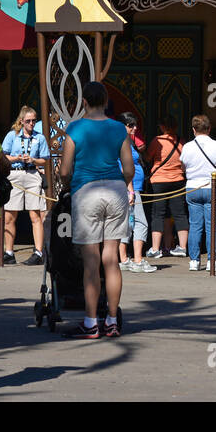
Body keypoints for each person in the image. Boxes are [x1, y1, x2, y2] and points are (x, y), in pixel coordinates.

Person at [59, 82, 135, 339]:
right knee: (111, 259)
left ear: (84, 102)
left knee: (91, 261)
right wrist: (118, 184)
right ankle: (112, 320)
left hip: (86, 191)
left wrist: (69, 185)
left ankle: (91, 321)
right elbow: (128, 169)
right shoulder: (119, 129)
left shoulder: (75, 128)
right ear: (106, 101)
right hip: (115, 190)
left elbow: (65, 170)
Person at [0, 107, 49, 266]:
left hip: (32, 175)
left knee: (35, 215)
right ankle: (9, 252)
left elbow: (44, 159)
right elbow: (3, 155)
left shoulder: (39, 137)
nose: (32, 123)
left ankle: (38, 252)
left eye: (34, 120)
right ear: (21, 121)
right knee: (9, 216)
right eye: (28, 121)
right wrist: (15, 158)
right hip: (15, 174)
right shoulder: (12, 135)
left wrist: (33, 160)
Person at [181, 114, 216, 272]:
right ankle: (212, 261)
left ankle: (194, 261)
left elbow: (183, 167)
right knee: (212, 226)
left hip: (193, 187)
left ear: (194, 130)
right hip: (213, 188)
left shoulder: (187, 147)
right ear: (209, 129)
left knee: (195, 225)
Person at [144, 118, 188, 258]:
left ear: (163, 126)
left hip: (159, 181)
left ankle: (155, 248)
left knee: (158, 214)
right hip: (178, 180)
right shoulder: (182, 141)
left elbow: (147, 158)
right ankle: (182, 247)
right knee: (180, 213)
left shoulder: (157, 141)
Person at [117, 112, 155, 272]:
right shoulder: (122, 142)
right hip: (129, 188)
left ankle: (124, 259)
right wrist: (131, 190)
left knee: (126, 223)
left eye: (135, 124)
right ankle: (138, 260)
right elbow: (125, 167)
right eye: (130, 125)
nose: (134, 127)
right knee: (141, 223)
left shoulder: (127, 141)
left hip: (129, 187)